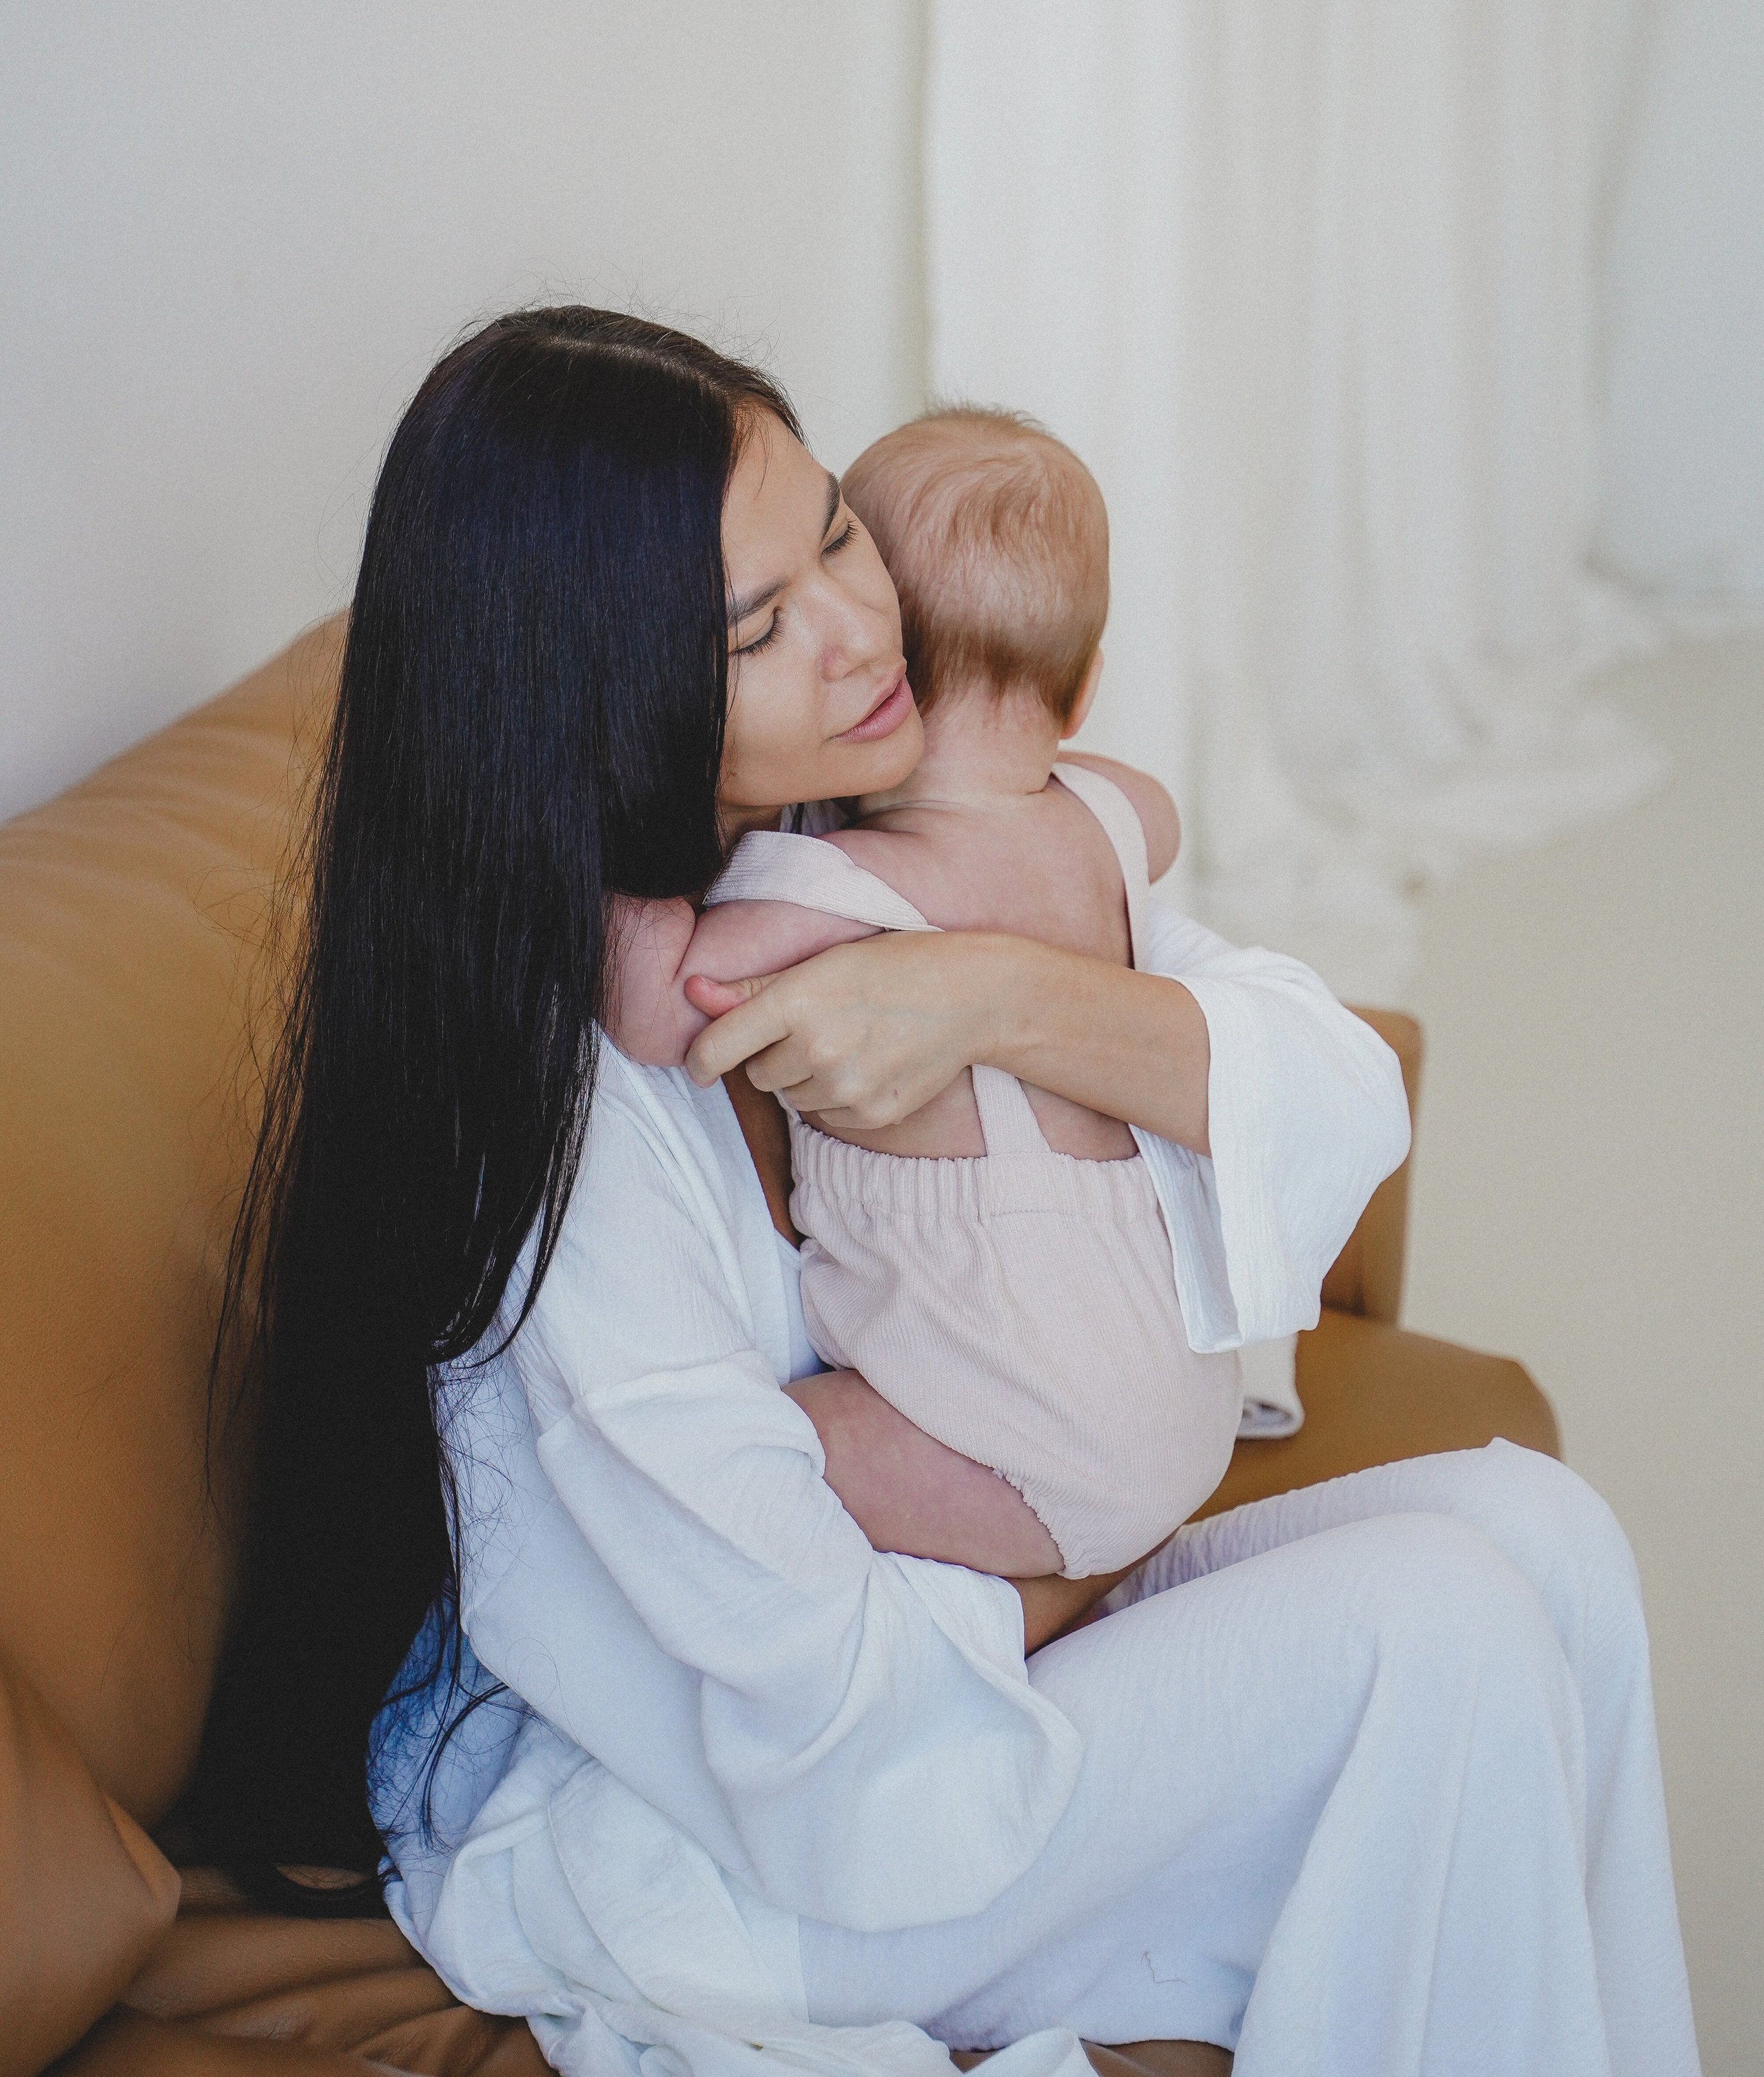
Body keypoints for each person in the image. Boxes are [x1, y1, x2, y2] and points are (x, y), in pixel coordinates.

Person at [193, 308, 1700, 2077]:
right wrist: (1097, 1531)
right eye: (757, 627)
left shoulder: (845, 843)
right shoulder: (566, 1153)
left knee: (1549, 1544)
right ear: (602, 695)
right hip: (754, 1834)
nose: (861, 629)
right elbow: (817, 1711)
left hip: (955, 1656)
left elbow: (1328, 1081)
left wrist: (991, 996)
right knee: (1433, 1639)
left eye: (834, 526)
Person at [606, 405, 1244, 1579]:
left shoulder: (842, 883)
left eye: (845, 542)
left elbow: (666, 1004)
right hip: (1189, 1387)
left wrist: (606, 866)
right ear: (1088, 687)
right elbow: (1157, 813)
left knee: (731, 1470)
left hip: (1017, 1428)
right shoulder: (1108, 818)